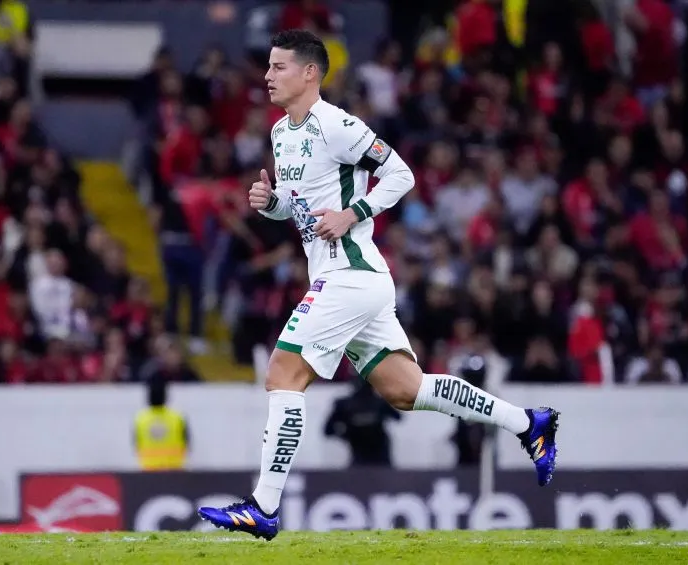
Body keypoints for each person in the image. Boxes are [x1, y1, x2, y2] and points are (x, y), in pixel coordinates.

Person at [197, 29, 560, 541]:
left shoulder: (338, 125)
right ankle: (529, 424)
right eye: (268, 67)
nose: (267, 76)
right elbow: (302, 210)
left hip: (349, 275)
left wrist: (353, 213)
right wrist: (272, 203)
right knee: (406, 390)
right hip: (351, 279)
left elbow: (402, 175)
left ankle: (264, 507)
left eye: (279, 67)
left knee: (283, 374)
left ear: (309, 73)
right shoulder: (281, 133)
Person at [133, 376, 189, 471]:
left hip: (149, 469)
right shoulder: (177, 417)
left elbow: (136, 444)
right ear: (165, 396)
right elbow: (187, 442)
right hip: (174, 469)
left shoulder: (140, 419)